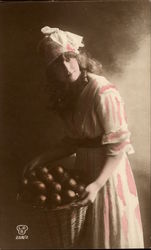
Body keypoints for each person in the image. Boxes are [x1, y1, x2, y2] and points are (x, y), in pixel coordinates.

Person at [23, 26, 144, 248]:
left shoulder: (101, 90)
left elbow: (119, 145)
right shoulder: (68, 95)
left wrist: (97, 184)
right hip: (85, 173)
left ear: (77, 57)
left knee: (108, 234)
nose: (66, 67)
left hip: (107, 174)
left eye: (68, 58)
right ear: (51, 72)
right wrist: (42, 159)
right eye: (57, 64)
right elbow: (75, 141)